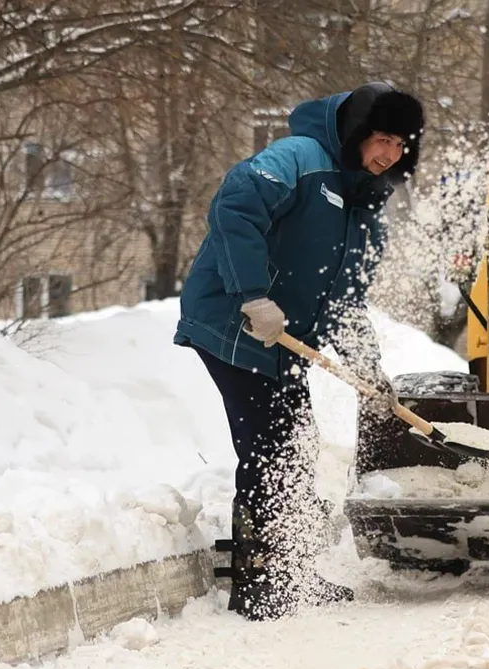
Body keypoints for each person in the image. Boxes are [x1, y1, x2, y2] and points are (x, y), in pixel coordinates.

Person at [173, 82, 425, 621]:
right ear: (358, 133)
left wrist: (369, 372)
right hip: (233, 321)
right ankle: (259, 579)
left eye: (400, 146)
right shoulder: (301, 157)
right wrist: (253, 295)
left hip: (280, 342)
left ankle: (287, 567)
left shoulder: (365, 205)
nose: (388, 155)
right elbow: (236, 205)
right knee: (272, 445)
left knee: (297, 443)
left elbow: (345, 301)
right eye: (381, 139)